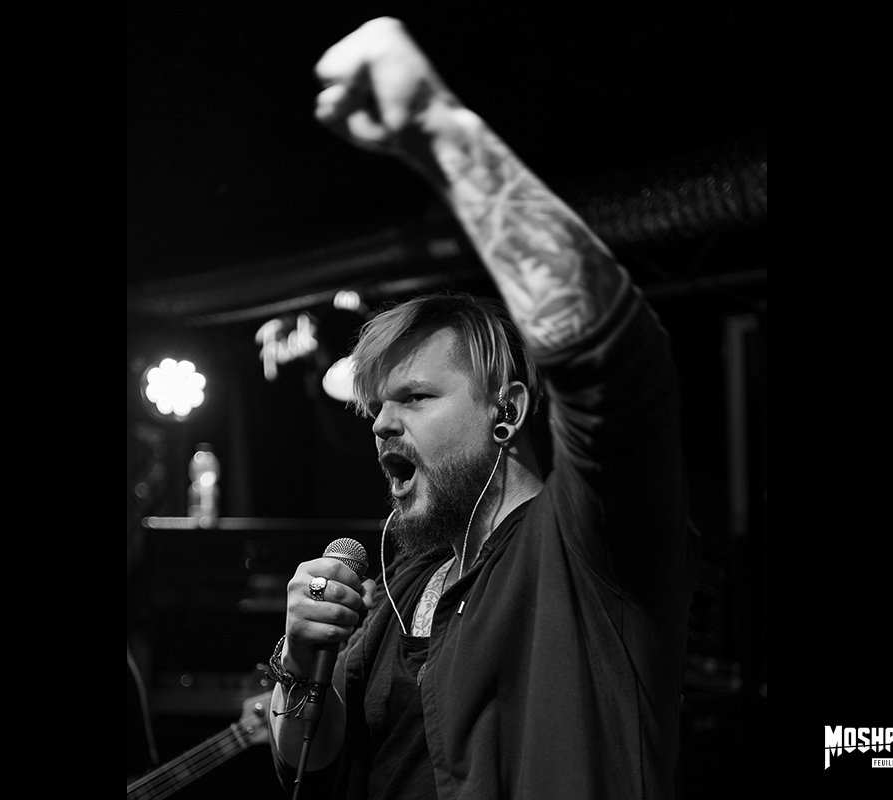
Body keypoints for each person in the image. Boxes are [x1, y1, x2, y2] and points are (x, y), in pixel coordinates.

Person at [266, 17, 700, 800]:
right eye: (376, 406)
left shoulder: (585, 543)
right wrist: (300, 658)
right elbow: (314, 757)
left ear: (509, 412)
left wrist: (441, 133)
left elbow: (617, 367)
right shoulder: (408, 578)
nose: (381, 424)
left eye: (415, 397)